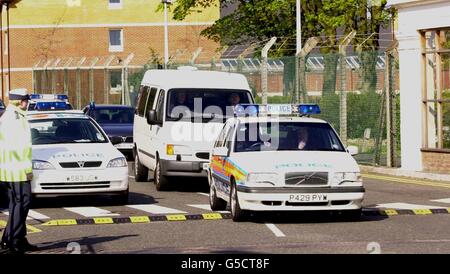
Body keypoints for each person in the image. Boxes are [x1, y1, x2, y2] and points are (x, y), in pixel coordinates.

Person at [0, 88, 38, 254]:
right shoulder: (14, 118)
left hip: (13, 169)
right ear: (19, 102)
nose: (27, 103)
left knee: (19, 204)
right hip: (17, 170)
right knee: (21, 203)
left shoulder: (15, 116)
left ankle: (17, 238)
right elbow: (19, 148)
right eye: (25, 100)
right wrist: (26, 170)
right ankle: (12, 240)